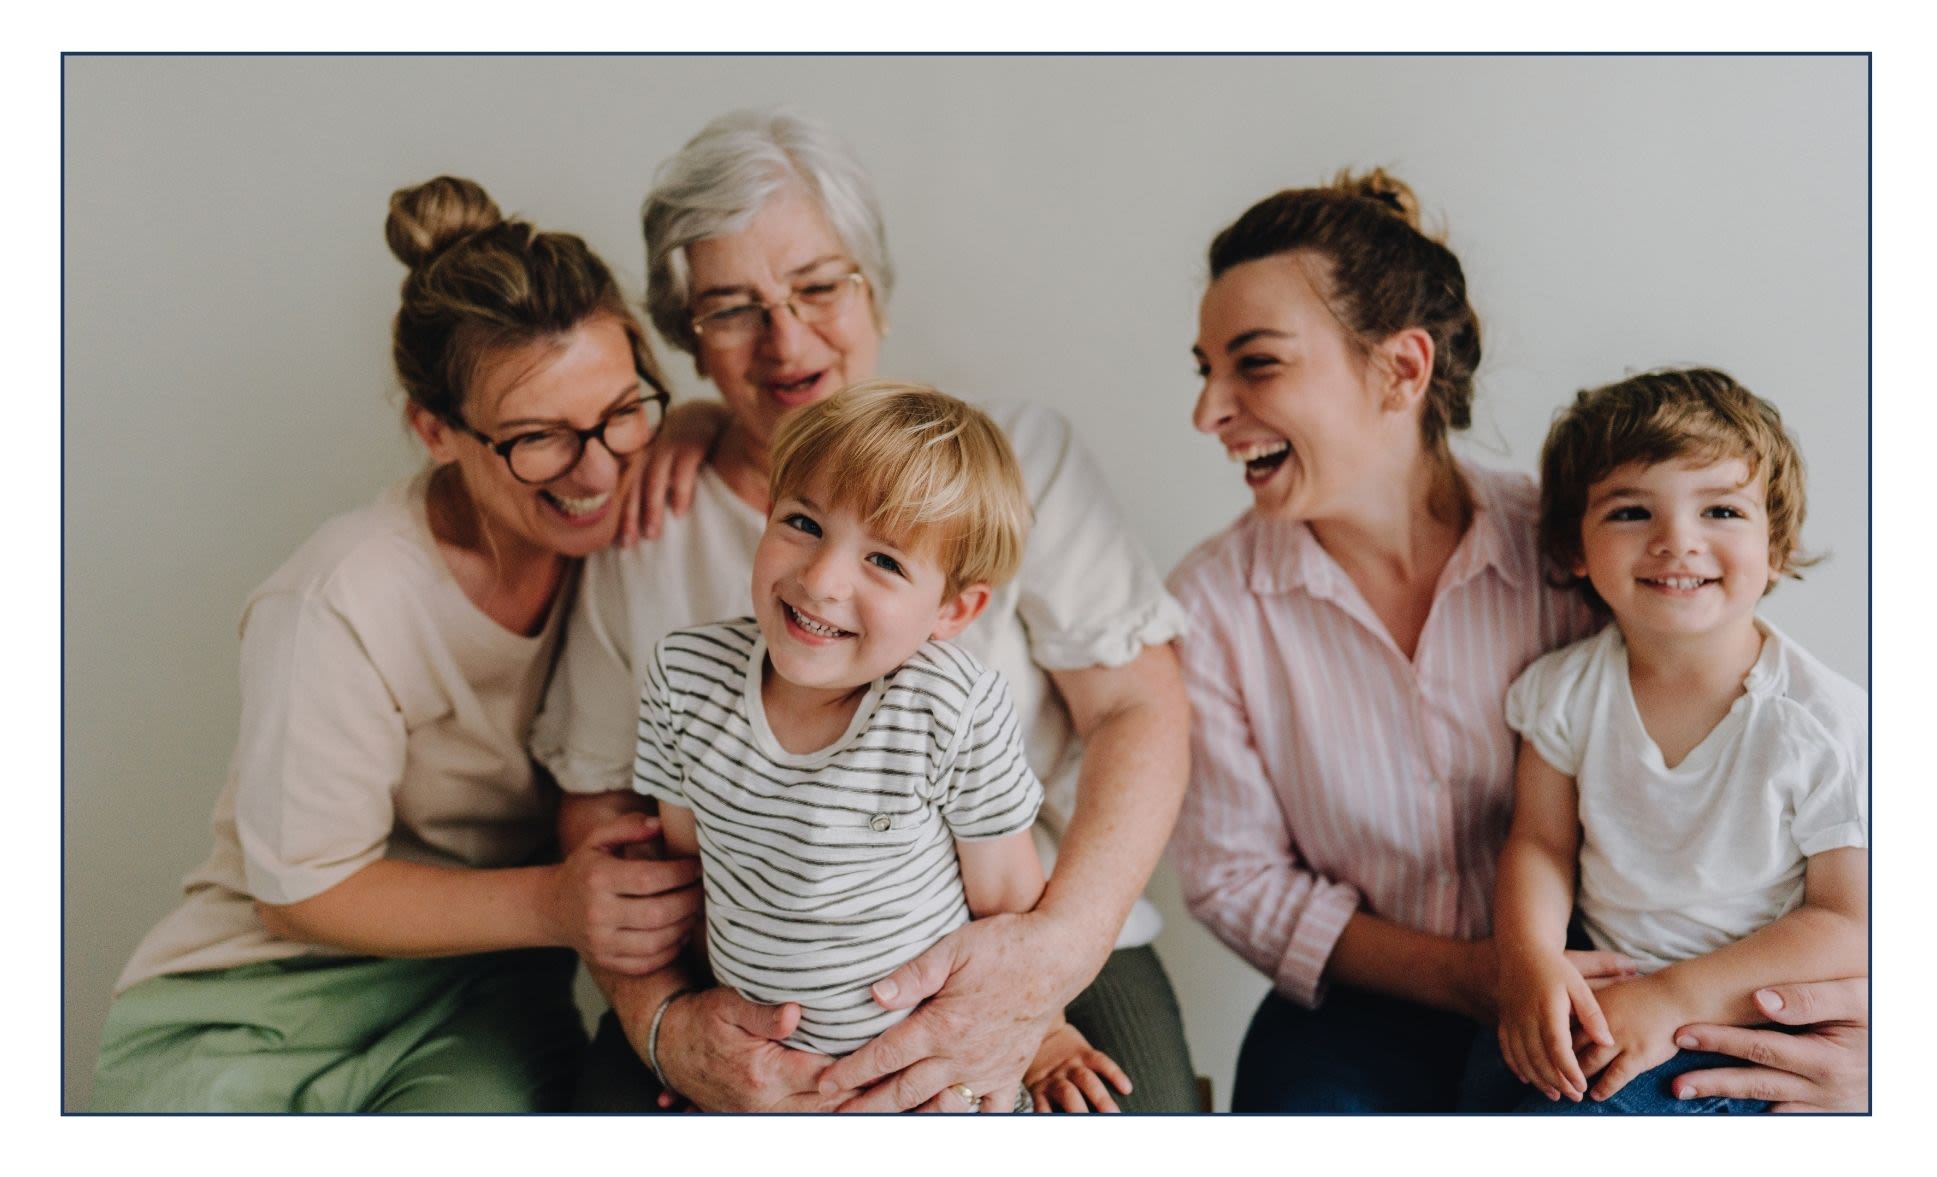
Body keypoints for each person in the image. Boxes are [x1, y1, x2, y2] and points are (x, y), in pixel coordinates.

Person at [532, 108, 1196, 1113]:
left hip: (1041, 921)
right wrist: (665, 1025)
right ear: (688, 340)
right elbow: (603, 802)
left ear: (872, 287)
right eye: (732, 308)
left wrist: (1044, 969)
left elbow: (1138, 712)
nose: (785, 340)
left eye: (816, 286)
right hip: (744, 975)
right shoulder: (646, 517)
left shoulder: (1014, 463)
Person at [1165, 170, 1870, 1113]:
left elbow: (1797, 823)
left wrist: (1870, 1045)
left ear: (1401, 369)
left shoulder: (1598, 544)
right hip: (1368, 1004)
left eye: (1254, 364)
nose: (1208, 411)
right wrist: (1485, 975)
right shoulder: (1211, 604)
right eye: (1204, 369)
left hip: (1625, 990)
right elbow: (1236, 878)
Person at [89, 176, 704, 1112]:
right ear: (435, 431)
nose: (598, 468)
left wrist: (700, 423)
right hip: (256, 998)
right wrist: (553, 903)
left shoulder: (638, 522)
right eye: (539, 436)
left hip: (484, 995)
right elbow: (299, 891)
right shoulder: (340, 597)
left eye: (624, 410)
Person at [638, 382, 1131, 1112]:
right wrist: (693, 1051)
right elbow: (691, 871)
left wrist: (1044, 1035)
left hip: (931, 1079)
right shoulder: (684, 680)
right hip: (766, 1085)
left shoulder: (950, 707)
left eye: (886, 562)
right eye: (802, 521)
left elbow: (1007, 903)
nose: (822, 578)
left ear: (953, 610)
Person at [1494, 368, 1867, 1114]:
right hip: (1604, 995)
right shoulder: (1562, 690)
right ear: (1574, 548)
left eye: (1721, 509)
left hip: (1736, 1016)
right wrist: (1527, 958)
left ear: (1776, 543)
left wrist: (1674, 995)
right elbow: (1539, 843)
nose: (1676, 541)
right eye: (1631, 511)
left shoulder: (1823, 720)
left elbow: (1850, 922)